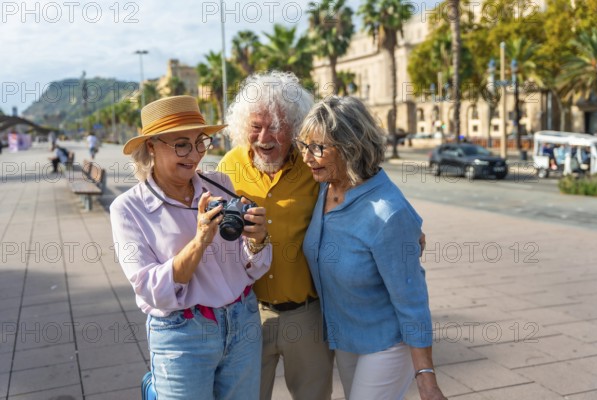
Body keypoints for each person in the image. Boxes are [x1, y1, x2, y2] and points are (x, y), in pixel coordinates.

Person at [110, 95, 273, 400]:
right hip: (181, 334)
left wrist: (258, 238)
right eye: (181, 144)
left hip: (242, 320)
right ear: (151, 146)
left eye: (201, 142)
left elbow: (251, 266)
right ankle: (155, 386)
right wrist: (199, 241)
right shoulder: (128, 208)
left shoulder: (220, 183)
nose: (195, 155)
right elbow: (150, 289)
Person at [298, 96, 446, 400]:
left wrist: (426, 379)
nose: (307, 158)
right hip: (346, 338)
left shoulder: (388, 214)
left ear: (350, 147)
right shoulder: (325, 187)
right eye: (305, 146)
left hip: (387, 344)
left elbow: (412, 300)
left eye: (318, 148)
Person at [217, 71, 335, 400]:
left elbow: (356, 186)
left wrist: (404, 227)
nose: (265, 136)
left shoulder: (313, 166)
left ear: (295, 126)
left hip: (308, 314)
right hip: (249, 316)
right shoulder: (229, 166)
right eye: (256, 126)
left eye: (278, 125)